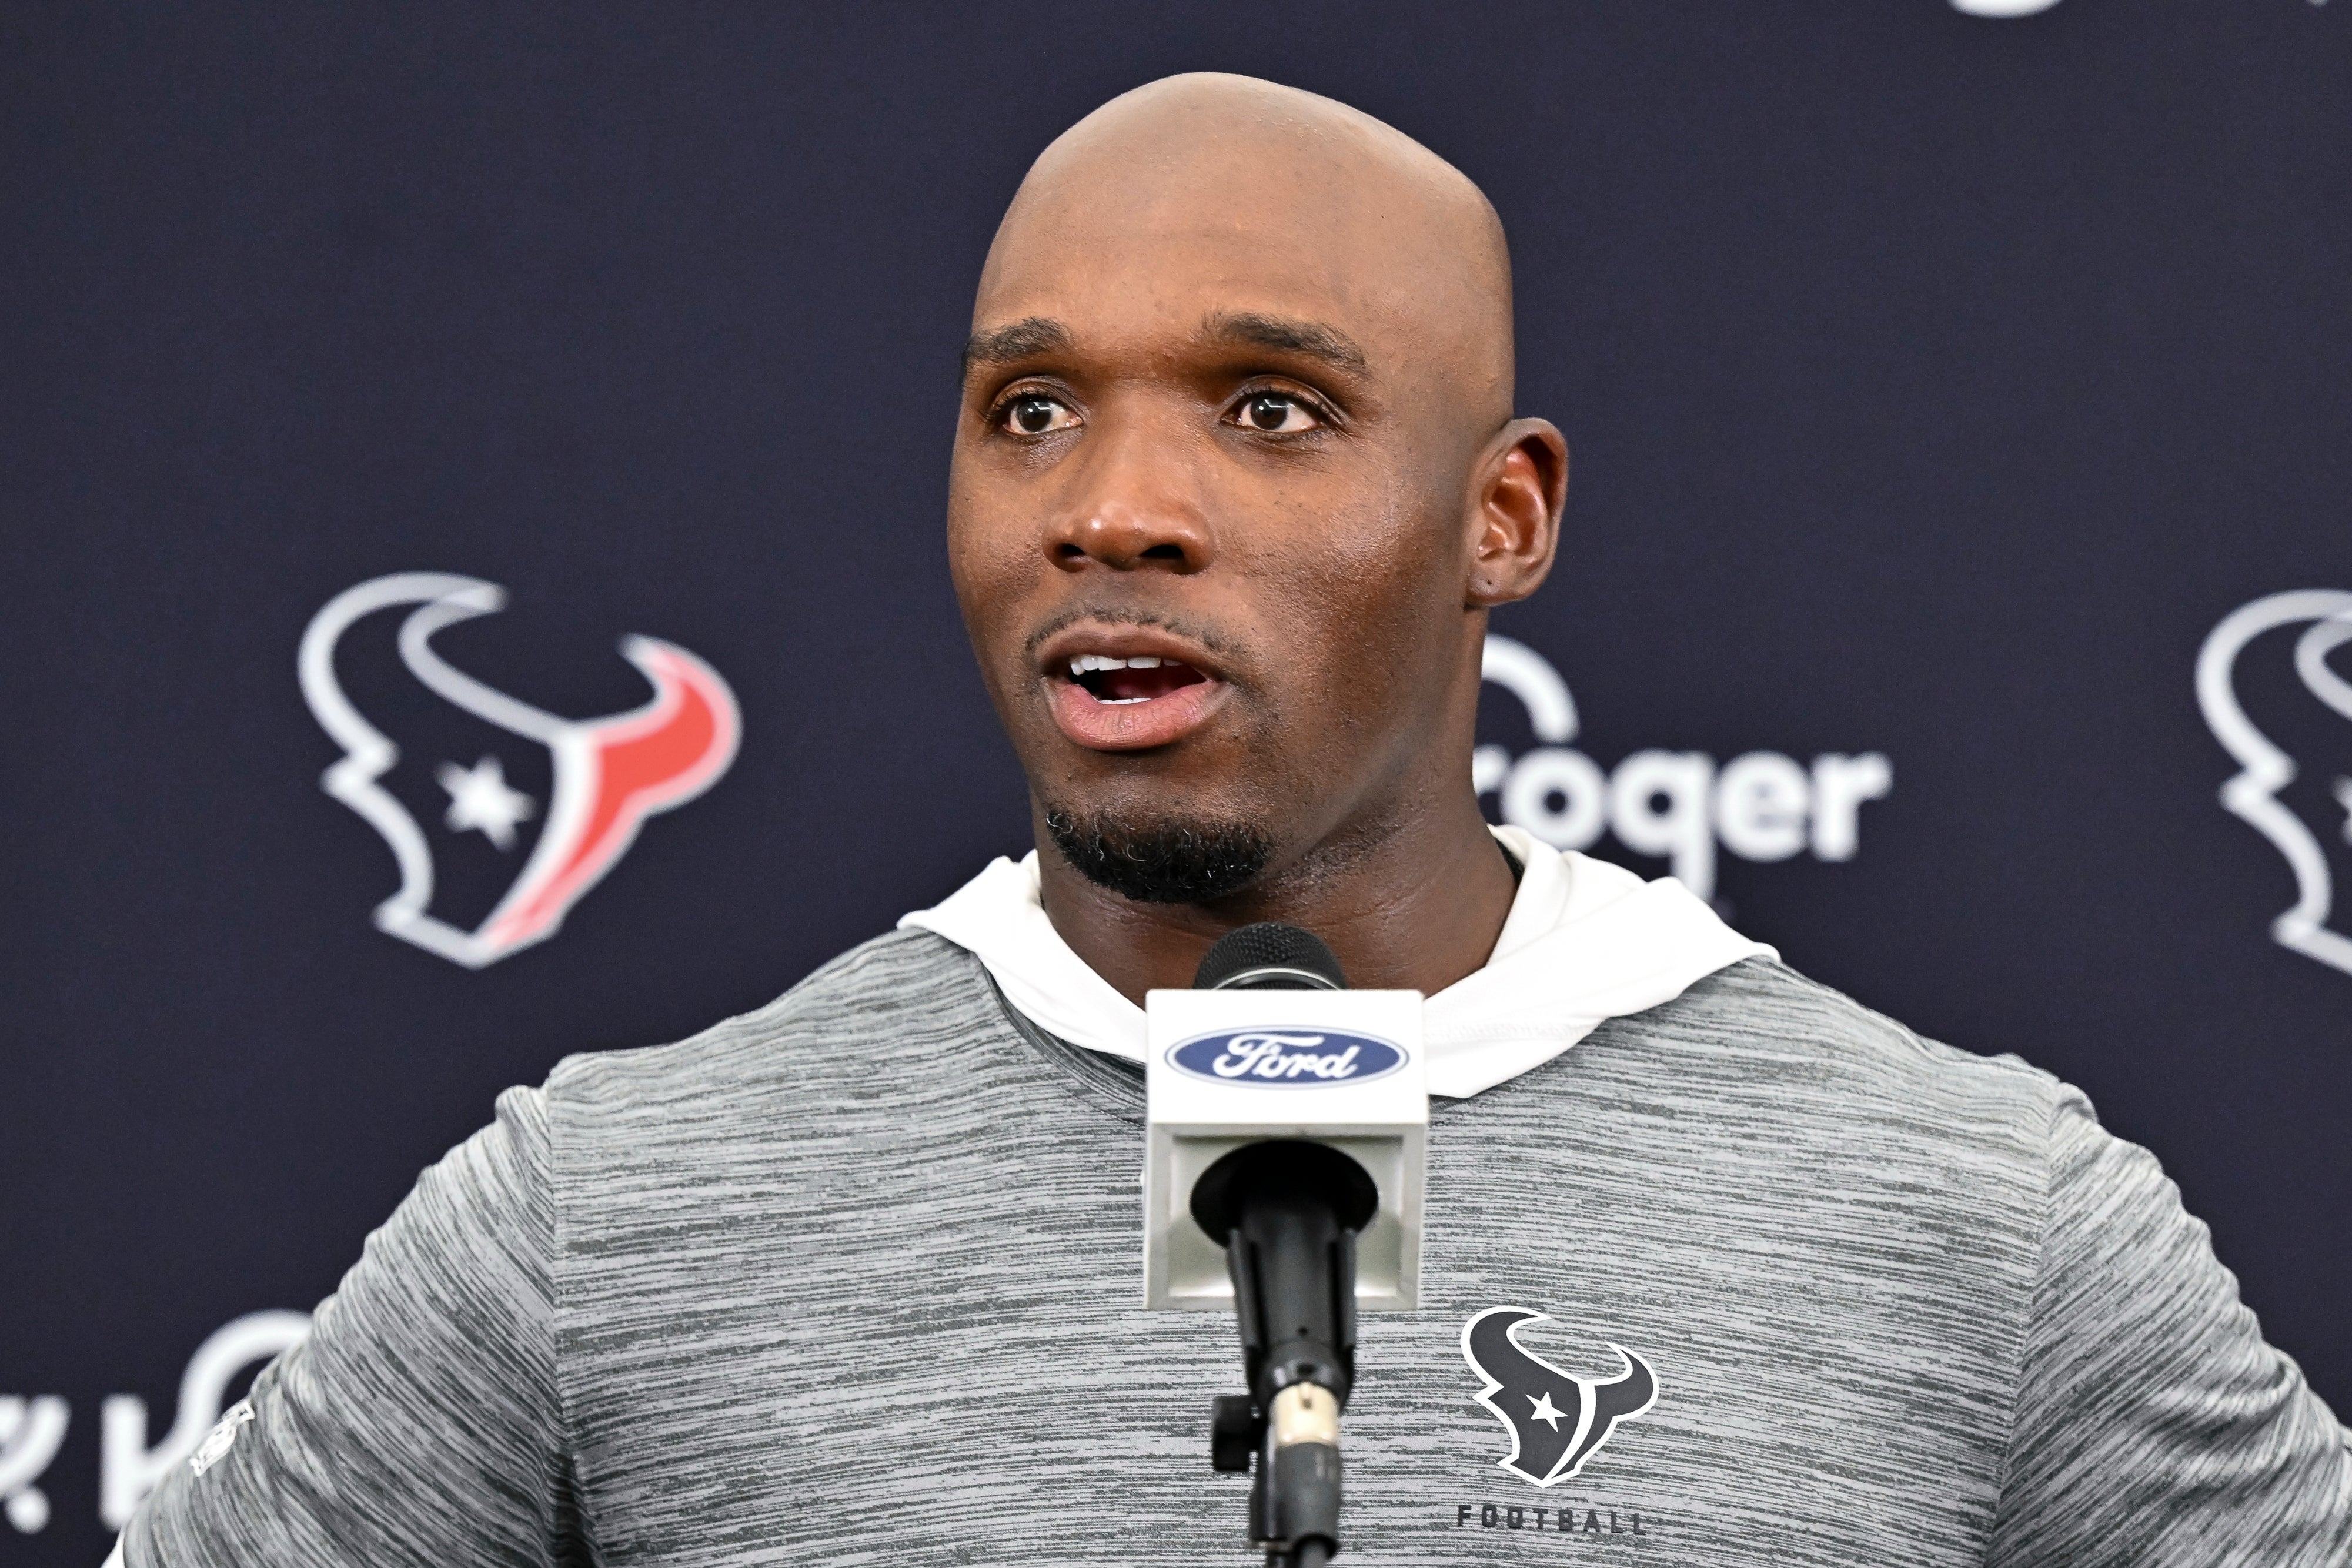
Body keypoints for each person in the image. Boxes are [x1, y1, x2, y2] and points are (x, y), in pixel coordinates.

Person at [115, 73, 2350, 1568]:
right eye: (1030, 408)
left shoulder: (1980, 1218)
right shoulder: (606, 1215)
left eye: (1270, 409)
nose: (1114, 508)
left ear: (1503, 516)